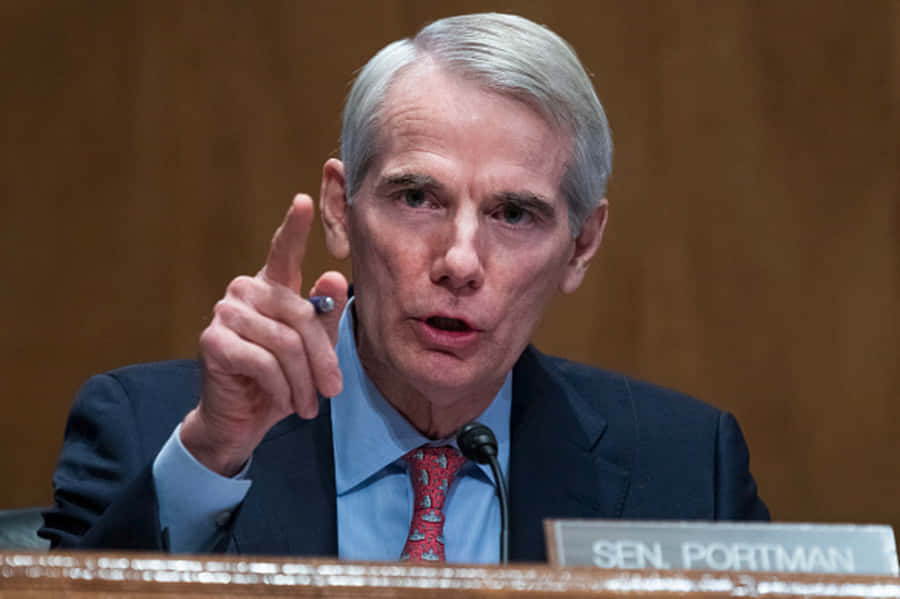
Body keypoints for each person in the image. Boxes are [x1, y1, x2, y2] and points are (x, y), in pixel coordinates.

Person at [40, 13, 768, 563]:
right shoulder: (148, 432)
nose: (459, 259)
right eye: (417, 198)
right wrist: (213, 457)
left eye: (513, 213)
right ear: (339, 208)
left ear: (581, 245)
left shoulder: (685, 472)